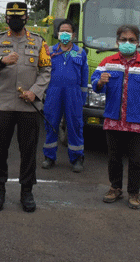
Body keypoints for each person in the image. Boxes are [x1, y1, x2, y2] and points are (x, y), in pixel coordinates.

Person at [0, 1, 51, 212]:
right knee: (0, 150)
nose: (15, 20)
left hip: (28, 106)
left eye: (19, 17)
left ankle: (26, 191)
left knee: (28, 151)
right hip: (2, 105)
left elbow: (46, 70)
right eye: (11, 17)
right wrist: (2, 61)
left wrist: (35, 92)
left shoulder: (39, 42)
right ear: (7, 19)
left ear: (26, 18)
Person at [90, 25, 140, 210]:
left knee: (136, 160)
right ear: (117, 41)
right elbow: (94, 83)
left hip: (137, 121)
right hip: (113, 119)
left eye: (131, 40)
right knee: (114, 158)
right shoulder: (107, 61)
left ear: (138, 42)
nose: (127, 43)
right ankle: (115, 188)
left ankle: (134, 193)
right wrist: (100, 81)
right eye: (123, 40)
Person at [41, 19, 89, 173]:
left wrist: (82, 98)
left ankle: (77, 158)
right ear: (57, 34)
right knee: (51, 124)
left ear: (73, 35)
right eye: (62, 31)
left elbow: (84, 77)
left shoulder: (81, 53)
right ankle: (49, 157)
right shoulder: (49, 51)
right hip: (53, 93)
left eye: (68, 31)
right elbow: (42, 73)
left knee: (75, 125)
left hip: (73, 94)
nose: (65, 34)